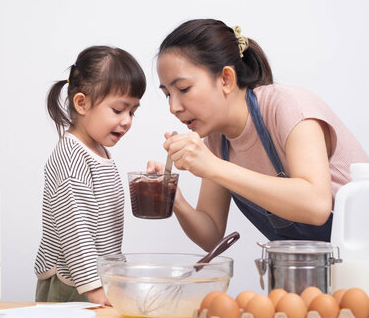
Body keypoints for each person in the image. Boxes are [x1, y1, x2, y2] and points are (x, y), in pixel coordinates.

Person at [148, 19, 369, 251]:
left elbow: (316, 205)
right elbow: (211, 234)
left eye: (183, 89)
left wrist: (213, 166)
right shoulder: (216, 140)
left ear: (226, 79)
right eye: (167, 95)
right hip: (317, 270)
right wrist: (176, 200)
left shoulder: (287, 107)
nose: (174, 107)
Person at [34, 46, 146, 305]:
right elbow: (76, 229)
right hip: (73, 282)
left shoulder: (98, 151)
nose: (127, 120)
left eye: (132, 111)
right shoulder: (71, 157)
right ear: (82, 103)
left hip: (99, 278)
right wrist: (94, 288)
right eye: (118, 110)